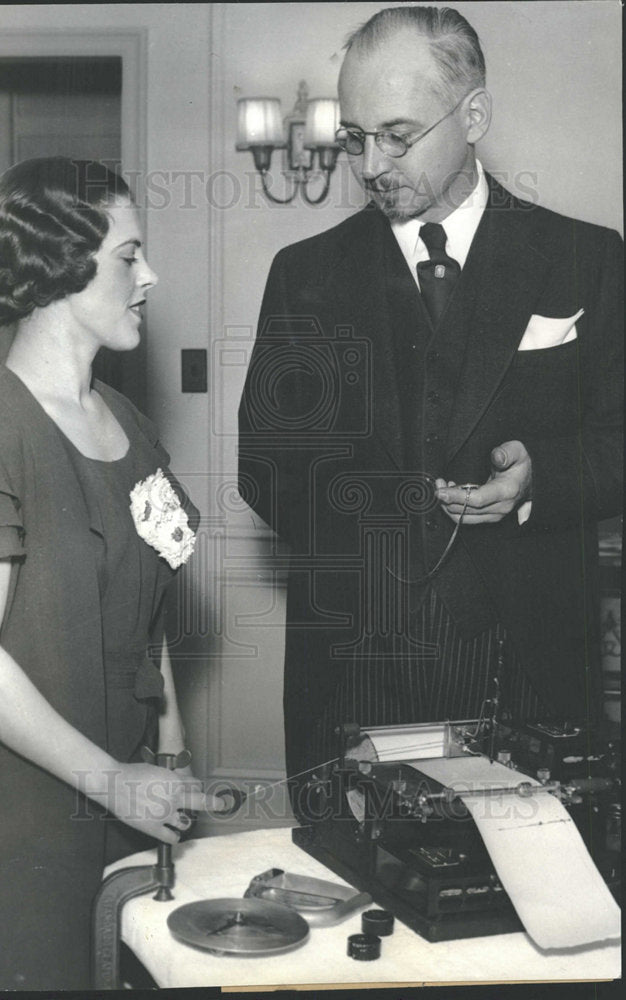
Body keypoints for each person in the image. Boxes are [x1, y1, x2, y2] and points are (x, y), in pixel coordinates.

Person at [238, 6, 623, 816]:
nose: (371, 165)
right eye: (354, 137)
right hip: (355, 673)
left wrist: (540, 480)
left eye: (397, 135)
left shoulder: (586, 259)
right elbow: (266, 470)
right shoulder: (303, 275)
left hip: (530, 670)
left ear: (473, 116)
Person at [0, 157, 221, 990]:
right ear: (61, 266)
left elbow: (152, 612)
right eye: (128, 256)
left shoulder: (131, 424)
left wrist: (170, 750)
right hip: (22, 815)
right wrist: (110, 781)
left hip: (129, 793)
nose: (150, 277)